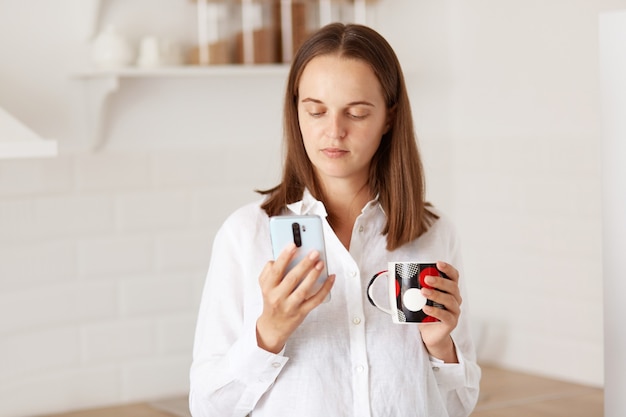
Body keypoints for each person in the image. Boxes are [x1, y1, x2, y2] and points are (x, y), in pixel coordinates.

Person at [189, 22, 481, 417]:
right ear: (297, 112)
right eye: (316, 111)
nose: (334, 131)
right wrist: (269, 333)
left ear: (389, 118)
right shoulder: (247, 234)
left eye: (357, 113)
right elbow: (209, 407)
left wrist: (440, 346)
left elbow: (458, 406)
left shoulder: (433, 233)